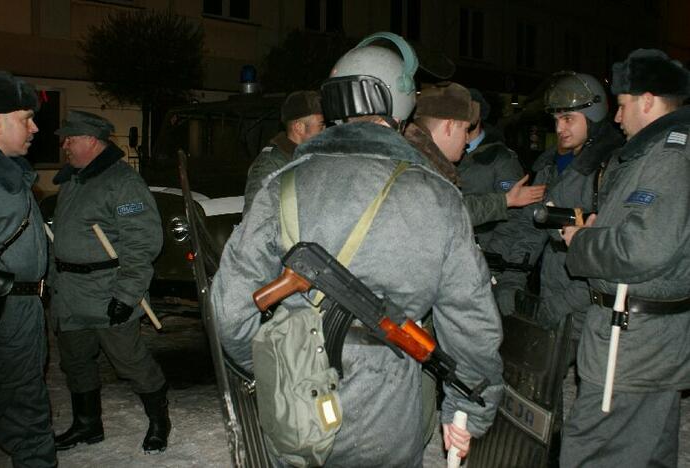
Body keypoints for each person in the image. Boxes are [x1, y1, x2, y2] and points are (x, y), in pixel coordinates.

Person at [211, 32, 503, 467]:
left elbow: (229, 311)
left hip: (296, 414)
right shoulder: (438, 197)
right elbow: (471, 324)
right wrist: (468, 409)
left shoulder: (281, 185)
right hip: (387, 417)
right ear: (401, 103)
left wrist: (279, 370)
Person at [560, 49, 690, 467]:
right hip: (641, 346)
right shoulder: (654, 153)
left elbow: (642, 249)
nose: (617, 117)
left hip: (632, 349)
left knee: (591, 454)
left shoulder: (668, 157)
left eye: (623, 104)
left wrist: (582, 242)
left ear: (647, 101)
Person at [48, 111, 170, 454]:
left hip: (106, 290)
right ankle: (87, 424)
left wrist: (127, 293)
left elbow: (142, 242)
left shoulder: (123, 183)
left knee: (130, 361)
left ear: (92, 141)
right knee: (75, 362)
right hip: (70, 294)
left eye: (71, 139)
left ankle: (159, 421)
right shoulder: (73, 181)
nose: (65, 145)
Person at [493, 71, 624, 334]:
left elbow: (609, 253)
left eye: (568, 119)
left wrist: (562, 304)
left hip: (590, 306)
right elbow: (530, 230)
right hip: (549, 287)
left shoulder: (613, 168)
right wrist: (512, 279)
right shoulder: (550, 165)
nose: (559, 129)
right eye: (556, 120)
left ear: (593, 116)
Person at [0, 71, 57, 467]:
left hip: (13, 306)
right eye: (25, 118)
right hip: (5, 310)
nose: (34, 128)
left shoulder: (7, 173)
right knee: (25, 413)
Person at [404, 83, 545, 228]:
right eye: (465, 130)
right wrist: (505, 200)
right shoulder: (419, 169)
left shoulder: (415, 160)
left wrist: (506, 200)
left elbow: (450, 209)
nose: (466, 139)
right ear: (449, 126)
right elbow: (448, 214)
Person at [243, 90, 324, 215]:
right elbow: (256, 218)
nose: (327, 131)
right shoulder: (270, 165)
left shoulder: (314, 157)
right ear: (299, 127)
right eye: (321, 126)